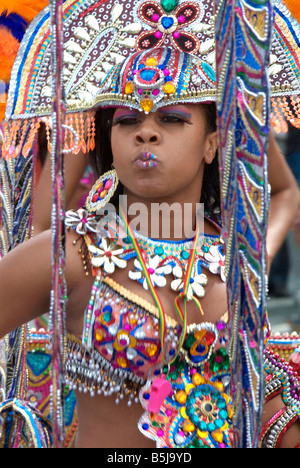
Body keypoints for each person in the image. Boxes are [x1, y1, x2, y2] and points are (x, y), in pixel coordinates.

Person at [0, 0, 300, 449]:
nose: (146, 133)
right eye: (128, 121)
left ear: (212, 144)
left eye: (172, 119)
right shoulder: (73, 254)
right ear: (110, 140)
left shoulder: (233, 256)